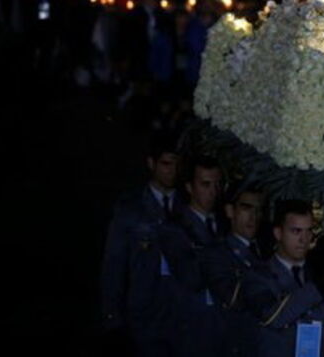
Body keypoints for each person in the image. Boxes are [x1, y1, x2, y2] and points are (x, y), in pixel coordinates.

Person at [243, 199, 324, 357]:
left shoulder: (316, 273)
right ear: (278, 233)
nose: (303, 239)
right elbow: (273, 317)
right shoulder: (259, 275)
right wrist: (320, 286)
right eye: (296, 231)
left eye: (308, 231)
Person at [100, 136, 184, 356]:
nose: (172, 170)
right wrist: (112, 314)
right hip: (145, 308)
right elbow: (114, 262)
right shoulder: (131, 207)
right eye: (166, 164)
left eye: (176, 164)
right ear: (152, 164)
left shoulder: (187, 205)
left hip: (183, 310)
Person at [168, 154, 226, 357]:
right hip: (191, 327)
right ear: (190, 187)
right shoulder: (177, 228)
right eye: (205, 184)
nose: (212, 191)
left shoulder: (223, 224)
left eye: (217, 184)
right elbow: (191, 277)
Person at [200, 181, 267, 357]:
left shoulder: (265, 250)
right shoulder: (217, 253)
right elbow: (232, 299)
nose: (253, 216)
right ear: (230, 211)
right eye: (246, 208)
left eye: (258, 210)